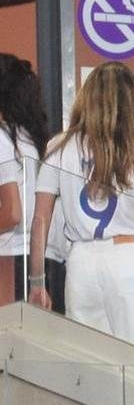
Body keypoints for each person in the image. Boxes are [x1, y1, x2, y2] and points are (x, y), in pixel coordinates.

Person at [28, 61, 134, 358]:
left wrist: (37, 281)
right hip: (131, 258)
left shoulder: (59, 145)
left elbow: (41, 218)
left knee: (89, 362)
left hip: (81, 262)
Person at [0, 53, 54, 305]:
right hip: (32, 257)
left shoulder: (3, 138)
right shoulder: (30, 139)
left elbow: (11, 213)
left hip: (7, 256)